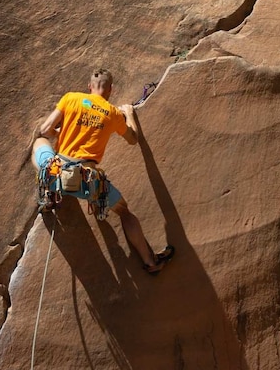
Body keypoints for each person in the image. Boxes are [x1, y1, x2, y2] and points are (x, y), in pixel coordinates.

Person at [31, 68, 174, 274]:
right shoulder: (113, 113)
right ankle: (150, 262)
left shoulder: (71, 98)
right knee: (124, 212)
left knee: (40, 142)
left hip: (58, 171)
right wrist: (130, 115)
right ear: (111, 90)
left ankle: (48, 189)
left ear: (89, 87)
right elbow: (133, 139)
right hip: (88, 181)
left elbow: (45, 130)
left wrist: (60, 132)